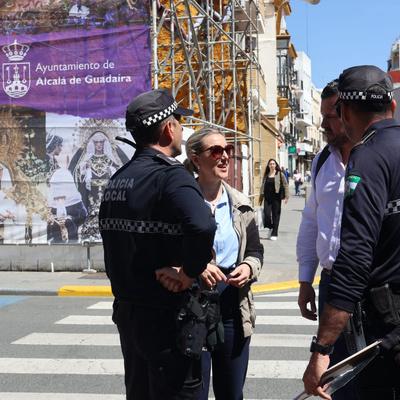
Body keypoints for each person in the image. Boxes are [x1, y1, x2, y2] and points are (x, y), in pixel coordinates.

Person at [99, 89, 217, 400]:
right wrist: (189, 272)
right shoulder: (171, 176)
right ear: (168, 128)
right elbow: (203, 224)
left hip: (130, 315)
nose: (181, 128)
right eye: (179, 121)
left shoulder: (118, 180)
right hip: (168, 320)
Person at [302, 65, 400, 400]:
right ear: (392, 105)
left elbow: (356, 255)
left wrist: (322, 349)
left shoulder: (368, 157)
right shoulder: (329, 160)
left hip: (385, 326)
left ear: (344, 113)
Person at [185, 127, 263, 400]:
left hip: (233, 305)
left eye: (227, 150)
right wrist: (197, 266)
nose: (225, 156)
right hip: (193, 306)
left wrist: (249, 267)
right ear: (196, 158)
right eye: (216, 150)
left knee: (231, 392)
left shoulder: (241, 203)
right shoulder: (182, 201)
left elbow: (255, 250)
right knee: (193, 392)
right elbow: (168, 250)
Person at [296, 80, 356, 400]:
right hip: (331, 284)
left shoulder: (375, 157)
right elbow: (310, 221)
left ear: (349, 114)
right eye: (322, 116)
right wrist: (306, 279)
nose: (323, 124)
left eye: (330, 116)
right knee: (336, 377)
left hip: (369, 285)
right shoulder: (322, 161)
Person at [47, 168, 87, 243]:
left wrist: (69, 219)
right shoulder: (52, 202)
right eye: (56, 185)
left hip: (72, 239)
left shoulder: (75, 200)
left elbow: (83, 217)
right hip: (55, 240)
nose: (59, 188)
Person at [259, 158, 289, 240]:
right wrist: (261, 197)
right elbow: (262, 186)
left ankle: (274, 233)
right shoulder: (266, 175)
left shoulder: (279, 174)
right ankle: (271, 227)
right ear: (268, 165)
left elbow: (285, 184)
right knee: (267, 214)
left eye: (273, 164)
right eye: (270, 164)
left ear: (276, 165)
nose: (272, 165)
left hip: (276, 198)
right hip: (267, 198)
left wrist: (286, 196)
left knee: (276, 215)